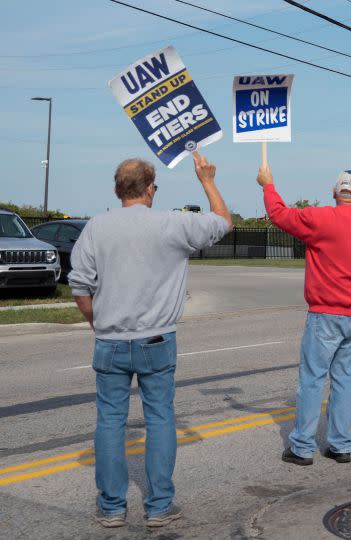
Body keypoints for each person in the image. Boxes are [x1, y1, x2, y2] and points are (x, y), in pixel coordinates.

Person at [70, 153, 232, 528]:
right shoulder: (172, 223)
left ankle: (112, 508)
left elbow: (80, 287)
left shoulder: (96, 227)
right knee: (159, 419)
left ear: (116, 190)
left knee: (110, 421)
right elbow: (223, 222)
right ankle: (159, 506)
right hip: (158, 339)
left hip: (110, 340)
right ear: (150, 189)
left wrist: (99, 322)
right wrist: (207, 180)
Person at [255, 165, 351, 466]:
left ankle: (302, 447)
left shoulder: (320, 218)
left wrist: (268, 185)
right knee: (345, 382)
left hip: (325, 313)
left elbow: (279, 215)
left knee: (312, 381)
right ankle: (340, 445)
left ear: (333, 193)